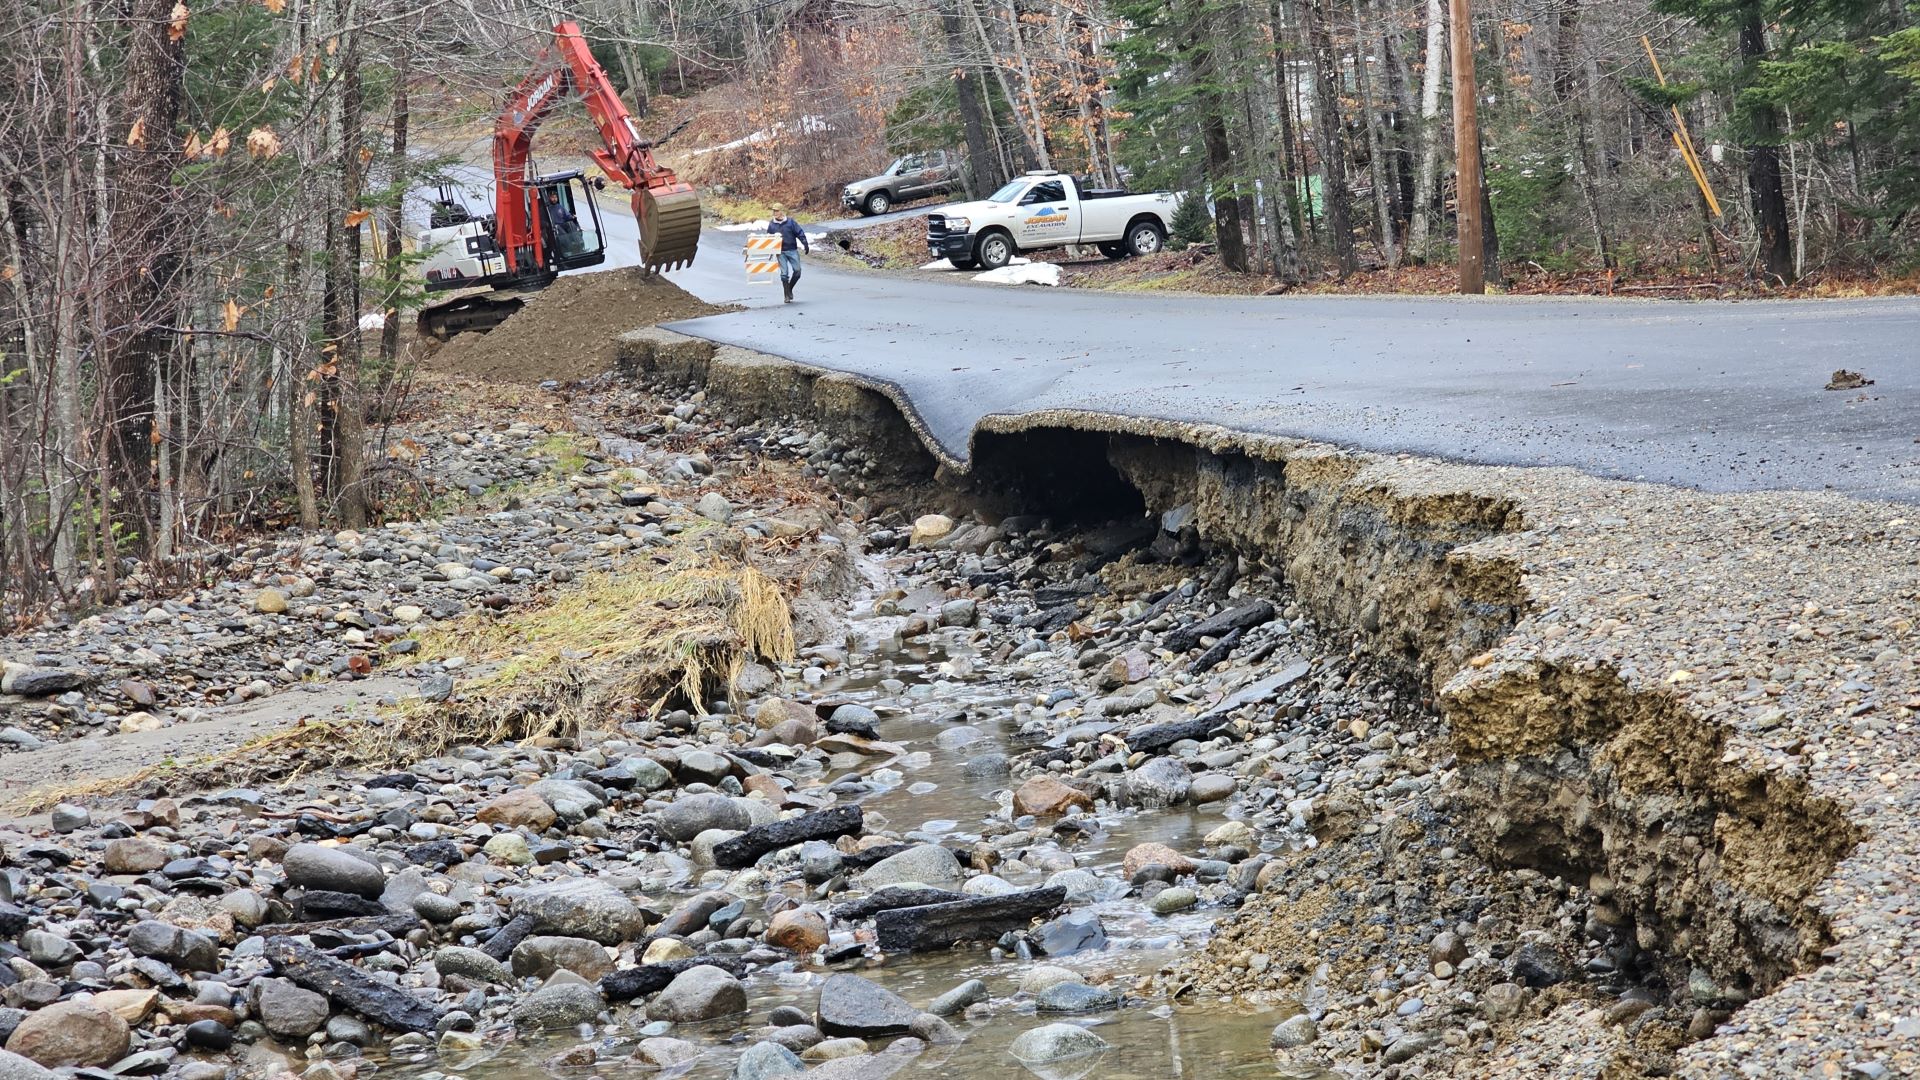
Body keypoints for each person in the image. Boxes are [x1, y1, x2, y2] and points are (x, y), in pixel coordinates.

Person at [767, 204, 810, 303]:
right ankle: (786, 295)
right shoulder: (772, 224)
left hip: (792, 250)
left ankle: (789, 288)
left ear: (782, 211)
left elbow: (800, 233)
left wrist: (805, 244)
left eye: (776, 211)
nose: (775, 213)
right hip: (780, 251)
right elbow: (769, 238)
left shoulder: (790, 223)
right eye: (773, 211)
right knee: (784, 274)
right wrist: (770, 252)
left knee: (797, 271)